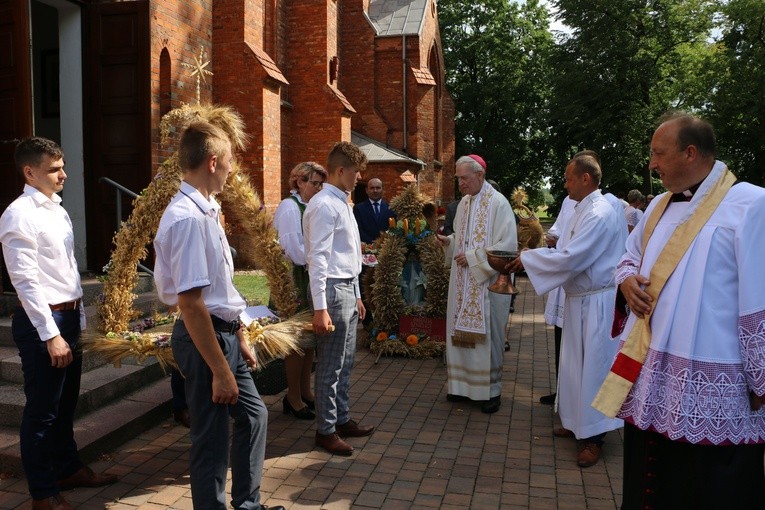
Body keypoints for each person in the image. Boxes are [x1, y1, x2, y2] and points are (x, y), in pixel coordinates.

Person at [592, 112, 765, 508]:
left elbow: (760, 298)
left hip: (716, 381)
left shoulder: (751, 204)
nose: (651, 163)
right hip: (654, 373)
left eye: (658, 153)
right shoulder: (657, 207)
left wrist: (762, 379)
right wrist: (626, 280)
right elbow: (628, 256)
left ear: (690, 153)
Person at [153, 121, 280, 510]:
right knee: (209, 438)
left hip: (223, 334)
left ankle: (246, 503)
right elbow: (191, 304)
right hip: (204, 338)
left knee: (254, 417)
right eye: (228, 162)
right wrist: (221, 371)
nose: (231, 170)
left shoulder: (206, 209)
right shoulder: (189, 218)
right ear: (212, 162)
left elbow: (218, 289)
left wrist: (239, 332)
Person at [0, 138, 118, 510]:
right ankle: (43, 494)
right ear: (30, 172)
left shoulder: (58, 210)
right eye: (54, 169)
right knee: (42, 412)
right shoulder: (19, 214)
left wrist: (77, 320)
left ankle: (68, 469)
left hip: (68, 316)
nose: (63, 174)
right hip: (43, 323)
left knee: (66, 405)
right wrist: (51, 334)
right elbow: (26, 281)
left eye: (62, 166)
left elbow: (65, 270)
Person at [507, 154, 625, 467]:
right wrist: (538, 252)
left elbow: (573, 258)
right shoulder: (581, 208)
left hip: (597, 303)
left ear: (586, 179)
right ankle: (577, 424)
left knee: (595, 370)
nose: (564, 184)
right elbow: (562, 249)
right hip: (580, 300)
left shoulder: (599, 213)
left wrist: (528, 258)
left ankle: (595, 437)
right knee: (575, 367)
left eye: (568, 177)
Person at [304, 141, 375, 456]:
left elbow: (349, 255)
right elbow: (318, 259)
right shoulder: (323, 205)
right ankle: (326, 430)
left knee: (346, 361)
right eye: (356, 172)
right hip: (331, 289)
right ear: (341, 170)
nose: (359, 178)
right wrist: (320, 307)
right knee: (331, 364)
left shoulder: (342, 202)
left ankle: (341, 418)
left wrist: (358, 294)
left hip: (345, 286)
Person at [437, 154, 517, 414]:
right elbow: (462, 237)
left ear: (480, 175)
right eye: (458, 178)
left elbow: (507, 248)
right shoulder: (463, 205)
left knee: (489, 339)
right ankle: (461, 386)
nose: (460, 183)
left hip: (488, 284)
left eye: (464, 178)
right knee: (457, 333)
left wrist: (472, 257)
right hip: (461, 282)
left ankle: (490, 391)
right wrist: (449, 243)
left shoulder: (499, 204)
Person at [273, 161, 328, 420]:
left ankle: (305, 391)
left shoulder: (311, 206)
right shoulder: (289, 207)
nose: (318, 188)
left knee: (309, 342)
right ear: (300, 182)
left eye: (320, 184)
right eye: (314, 183)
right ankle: (292, 397)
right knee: (295, 343)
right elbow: (292, 247)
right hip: (294, 280)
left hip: (310, 276)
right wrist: (317, 261)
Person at [538, 195, 576, 406]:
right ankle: (561, 391)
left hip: (580, 286)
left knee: (576, 347)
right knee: (560, 340)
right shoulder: (569, 201)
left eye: (569, 179)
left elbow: (578, 245)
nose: (565, 185)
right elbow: (558, 227)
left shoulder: (603, 207)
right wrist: (552, 237)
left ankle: (572, 397)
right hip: (564, 282)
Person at [353, 177, 395, 244]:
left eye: (378, 188)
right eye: (372, 188)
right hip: (366, 248)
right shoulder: (359, 208)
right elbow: (358, 230)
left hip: (387, 247)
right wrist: (373, 243)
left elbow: (394, 229)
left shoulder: (391, 208)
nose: (375, 191)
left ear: (382, 190)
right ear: (366, 190)